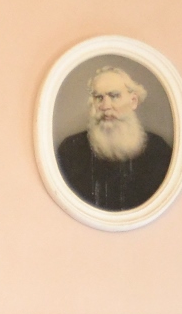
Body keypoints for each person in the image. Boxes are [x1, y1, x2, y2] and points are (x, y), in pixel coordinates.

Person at [55, 66, 173, 212]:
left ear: (133, 101)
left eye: (114, 96)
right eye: (99, 98)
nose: (105, 106)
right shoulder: (70, 151)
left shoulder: (158, 150)